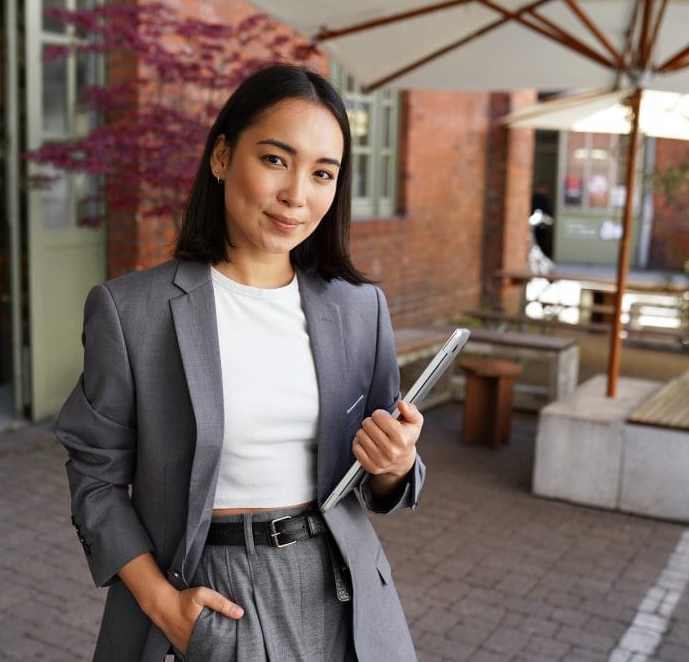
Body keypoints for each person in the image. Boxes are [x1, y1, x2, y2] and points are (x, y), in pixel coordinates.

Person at [55, 64, 426, 661]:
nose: (297, 195)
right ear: (222, 157)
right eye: (276, 159)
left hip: (343, 590)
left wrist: (395, 462)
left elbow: (382, 481)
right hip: (205, 588)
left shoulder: (360, 310)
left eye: (322, 173)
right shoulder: (132, 311)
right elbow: (95, 477)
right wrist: (162, 606)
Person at [530, 181, 554, 259]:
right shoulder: (535, 198)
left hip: (543, 223)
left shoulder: (544, 198)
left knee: (542, 240)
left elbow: (548, 210)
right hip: (535, 223)